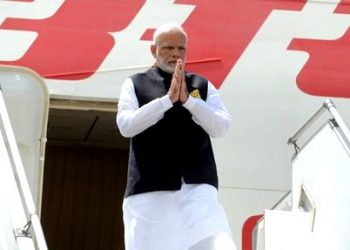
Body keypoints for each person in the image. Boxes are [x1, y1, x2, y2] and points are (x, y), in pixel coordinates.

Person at [116, 22, 236, 250]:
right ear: (154, 50)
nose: (175, 54)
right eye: (168, 48)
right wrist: (166, 101)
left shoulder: (202, 85)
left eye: (181, 49)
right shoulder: (134, 83)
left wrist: (190, 102)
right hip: (150, 192)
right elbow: (126, 125)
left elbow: (222, 127)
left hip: (197, 189)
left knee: (220, 243)